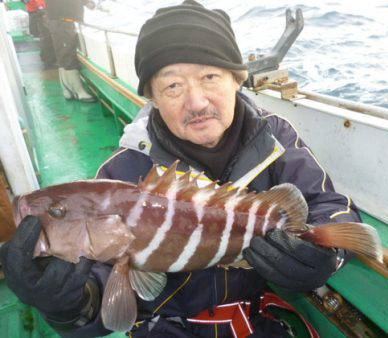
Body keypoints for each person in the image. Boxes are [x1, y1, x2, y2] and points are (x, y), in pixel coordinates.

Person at [0, 1, 361, 337]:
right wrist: (72, 305)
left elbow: (331, 207)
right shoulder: (123, 170)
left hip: (258, 316)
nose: (197, 101)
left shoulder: (276, 138)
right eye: (173, 85)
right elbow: (102, 288)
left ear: (237, 79)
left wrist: (327, 254)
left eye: (210, 77)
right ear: (152, 98)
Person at [45, 0, 96, 102]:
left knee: (63, 54)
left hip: (59, 20)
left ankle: (67, 90)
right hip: (63, 21)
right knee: (67, 55)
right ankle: (78, 91)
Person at [21, 0, 57, 68]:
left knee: (45, 36)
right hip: (39, 12)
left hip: (36, 11)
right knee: (47, 37)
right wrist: (41, 8)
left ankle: (47, 59)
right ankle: (49, 60)